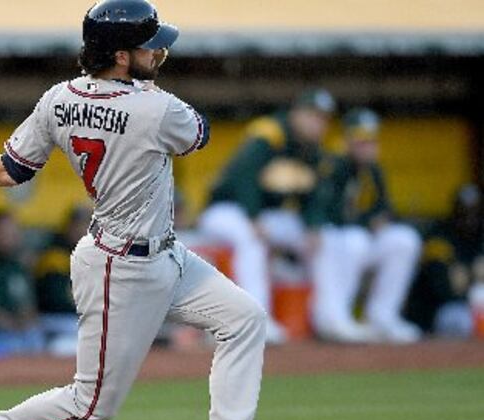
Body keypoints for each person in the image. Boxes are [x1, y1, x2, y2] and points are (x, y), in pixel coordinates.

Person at [0, 1, 266, 420]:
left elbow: (13, 170)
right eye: (149, 48)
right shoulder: (155, 108)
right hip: (121, 266)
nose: (158, 55)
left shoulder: (59, 98)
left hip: (164, 254)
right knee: (91, 404)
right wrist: (147, 96)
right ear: (121, 56)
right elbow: (199, 132)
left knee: (244, 319)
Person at [198, 87, 337, 344]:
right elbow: (243, 177)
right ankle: (254, 320)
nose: (317, 123)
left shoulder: (313, 150)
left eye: (322, 118)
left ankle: (331, 316)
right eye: (312, 115)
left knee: (322, 240)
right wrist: (252, 217)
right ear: (296, 113)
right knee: (252, 240)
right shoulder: (270, 133)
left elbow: (314, 197)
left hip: (266, 216)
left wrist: (314, 226)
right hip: (226, 210)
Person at [313, 108, 422, 343]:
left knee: (404, 239)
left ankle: (383, 316)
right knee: (355, 239)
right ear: (347, 139)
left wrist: (377, 220)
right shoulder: (335, 165)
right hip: (331, 242)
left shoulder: (373, 169)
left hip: (359, 240)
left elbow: (385, 209)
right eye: (361, 140)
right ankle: (335, 318)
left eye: (371, 140)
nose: (367, 146)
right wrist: (367, 221)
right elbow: (332, 213)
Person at [406, 184, 483, 337]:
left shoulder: (480, 236)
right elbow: (443, 288)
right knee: (459, 322)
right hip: (439, 310)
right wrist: (473, 275)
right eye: (464, 213)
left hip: (469, 302)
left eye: (475, 213)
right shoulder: (439, 236)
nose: (470, 220)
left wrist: (467, 278)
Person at [0, 210, 45, 358]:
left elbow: (29, 303)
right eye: (2, 233)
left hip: (21, 330)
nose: (7, 238)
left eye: (12, 233)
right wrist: (7, 322)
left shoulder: (21, 263)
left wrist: (26, 318)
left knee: (36, 340)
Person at [35, 205, 92, 356]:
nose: (85, 230)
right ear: (70, 227)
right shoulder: (55, 256)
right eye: (81, 225)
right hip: (56, 319)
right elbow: (58, 300)